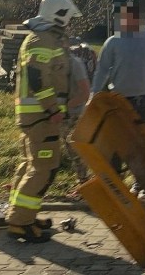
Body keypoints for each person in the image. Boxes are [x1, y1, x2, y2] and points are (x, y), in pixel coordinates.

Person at [5, 0, 81, 243]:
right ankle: (20, 223)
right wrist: (53, 110)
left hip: (38, 115)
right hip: (42, 116)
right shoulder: (42, 40)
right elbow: (39, 80)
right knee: (43, 168)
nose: (68, 23)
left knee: (31, 166)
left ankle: (21, 215)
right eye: (67, 18)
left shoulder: (46, 38)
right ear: (58, 15)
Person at [91, 2, 145, 132]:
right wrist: (94, 95)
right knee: (119, 144)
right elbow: (102, 70)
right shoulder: (113, 42)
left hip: (143, 102)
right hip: (118, 103)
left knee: (144, 145)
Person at [62, 50, 92, 195]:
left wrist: (65, 107)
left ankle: (84, 187)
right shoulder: (53, 63)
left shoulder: (75, 63)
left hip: (73, 115)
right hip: (59, 116)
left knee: (77, 153)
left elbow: (85, 93)